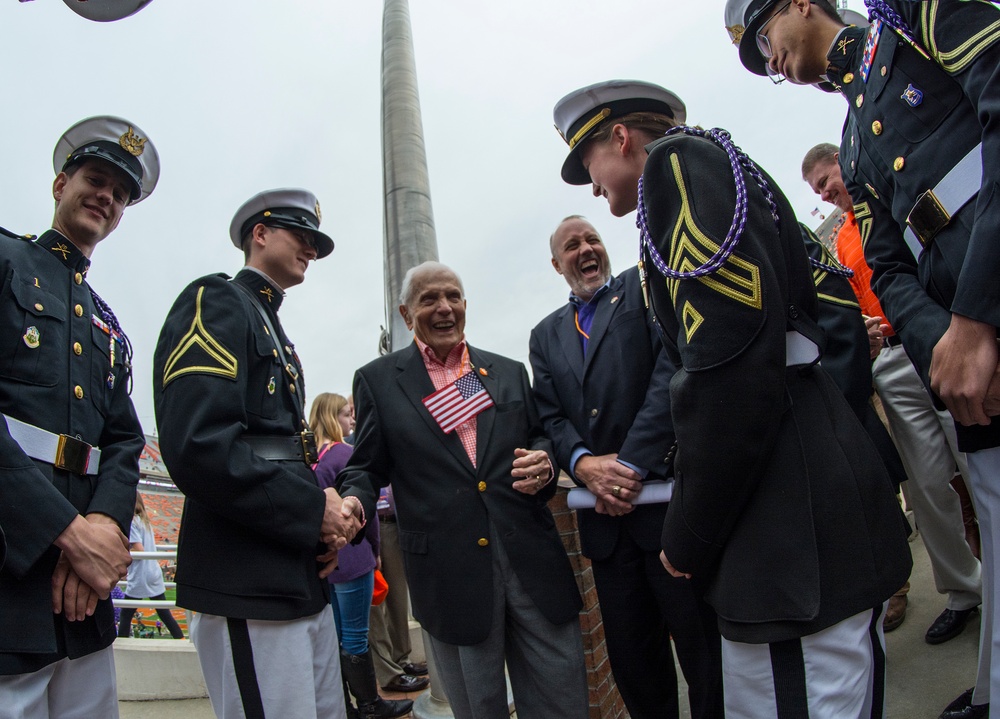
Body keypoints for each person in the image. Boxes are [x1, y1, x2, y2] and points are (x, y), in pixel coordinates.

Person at [552, 79, 911, 718]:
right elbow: (831, 315)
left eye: (590, 166)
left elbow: (728, 376)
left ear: (621, 138)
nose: (593, 184)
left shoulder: (678, 169)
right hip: (814, 487)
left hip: (784, 533)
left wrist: (688, 534)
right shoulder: (730, 166)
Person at [724, 3, 1000, 715]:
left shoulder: (911, 20)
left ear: (797, 5)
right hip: (968, 359)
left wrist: (974, 319)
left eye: (764, 40)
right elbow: (887, 265)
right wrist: (943, 339)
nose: (771, 64)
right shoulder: (852, 142)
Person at [336, 261, 588, 719]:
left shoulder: (507, 372)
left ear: (466, 305)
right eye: (429, 299)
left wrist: (546, 460)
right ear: (406, 313)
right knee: (478, 707)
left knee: (562, 696)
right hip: (450, 573)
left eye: (453, 296)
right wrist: (353, 501)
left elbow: (539, 436)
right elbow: (366, 467)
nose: (444, 307)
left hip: (531, 559)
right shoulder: (378, 380)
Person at [153, 188, 358, 719]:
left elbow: (284, 454)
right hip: (244, 575)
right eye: (301, 236)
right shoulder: (217, 301)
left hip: (291, 569)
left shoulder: (273, 326)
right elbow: (201, 446)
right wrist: (313, 511)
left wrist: (319, 526)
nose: (311, 249)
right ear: (259, 235)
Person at [528, 215, 723, 719]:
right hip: (606, 534)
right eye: (572, 245)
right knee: (636, 665)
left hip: (667, 515)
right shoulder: (544, 335)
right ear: (556, 264)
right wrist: (583, 464)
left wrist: (630, 463)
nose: (586, 249)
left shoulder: (643, 290)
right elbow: (548, 413)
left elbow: (670, 371)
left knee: (705, 656)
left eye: (592, 239)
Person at [0, 115, 158, 718]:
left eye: (120, 194)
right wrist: (66, 534)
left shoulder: (106, 324)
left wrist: (104, 529)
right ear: (59, 184)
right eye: (95, 180)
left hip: (83, 589)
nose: (107, 198)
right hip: (12, 558)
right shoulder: (8, 261)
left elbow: (123, 439)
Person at [803, 141, 983, 644]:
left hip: (942, 342)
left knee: (977, 464)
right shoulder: (839, 242)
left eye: (827, 177)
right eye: (817, 188)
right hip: (892, 360)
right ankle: (965, 590)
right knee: (927, 483)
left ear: (843, 164)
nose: (826, 189)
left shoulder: (888, 203)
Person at [310, 392, 412, 719]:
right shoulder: (344, 454)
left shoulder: (312, 459)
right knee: (356, 636)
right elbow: (363, 509)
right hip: (353, 557)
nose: (350, 421)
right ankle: (370, 705)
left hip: (325, 561)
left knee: (337, 636)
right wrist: (377, 552)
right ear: (330, 417)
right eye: (344, 414)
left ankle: (345, 706)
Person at [367, 484, 429, 693]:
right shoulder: (344, 454)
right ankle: (389, 674)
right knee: (375, 607)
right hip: (368, 528)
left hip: (393, 525)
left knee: (398, 599)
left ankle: (402, 659)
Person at [116, 493, 184, 639]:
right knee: (164, 612)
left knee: (126, 613)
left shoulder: (132, 522)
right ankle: (181, 638)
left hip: (142, 574)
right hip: (153, 571)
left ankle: (122, 643)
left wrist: (122, 550)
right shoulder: (144, 521)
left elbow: (139, 549)